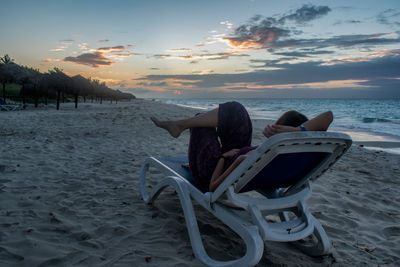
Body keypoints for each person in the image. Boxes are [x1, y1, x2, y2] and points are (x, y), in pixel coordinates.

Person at [151, 101, 333, 192]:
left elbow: (213, 186)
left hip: (211, 171)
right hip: (247, 165)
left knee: (202, 123)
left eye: (278, 125)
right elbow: (328, 116)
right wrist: (297, 131)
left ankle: (180, 125)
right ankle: (180, 124)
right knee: (237, 112)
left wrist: (223, 157)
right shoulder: (296, 155)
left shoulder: (260, 156)